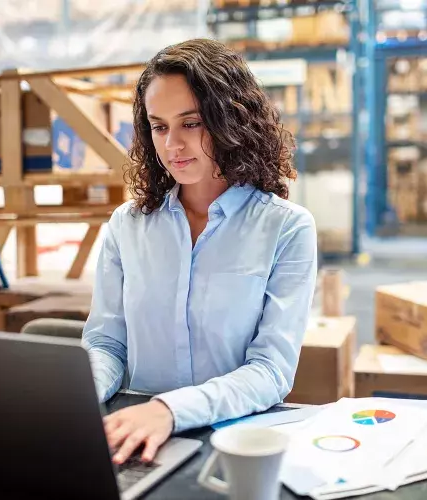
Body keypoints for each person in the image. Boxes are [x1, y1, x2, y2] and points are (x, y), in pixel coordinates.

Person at [82, 38, 318, 466]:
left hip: (233, 443)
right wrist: (78, 395)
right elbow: (107, 343)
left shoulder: (286, 227)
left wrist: (170, 411)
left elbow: (270, 371)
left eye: (191, 123)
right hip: (134, 436)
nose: (172, 144)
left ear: (231, 121)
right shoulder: (127, 225)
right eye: (159, 126)